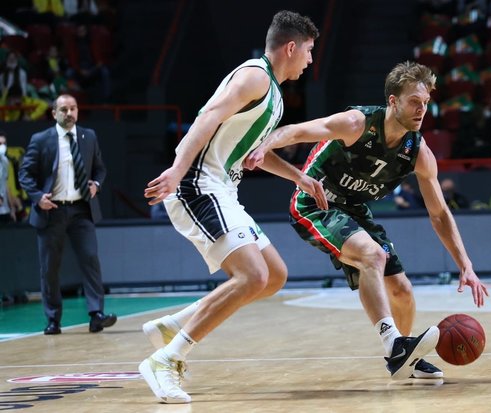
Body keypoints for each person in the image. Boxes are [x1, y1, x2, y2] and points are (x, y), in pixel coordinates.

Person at [244, 61, 489, 382]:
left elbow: (440, 213)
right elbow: (297, 131)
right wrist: (264, 145)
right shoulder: (356, 123)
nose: (422, 110)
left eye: (426, 103)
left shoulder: (418, 152)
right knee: (372, 255)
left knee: (401, 289)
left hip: (353, 209)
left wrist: (465, 264)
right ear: (393, 101)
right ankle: (393, 343)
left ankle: (406, 358)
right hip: (315, 203)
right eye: (415, 102)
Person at [138, 11, 323, 404]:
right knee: (252, 275)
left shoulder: (273, 94)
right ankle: (167, 358)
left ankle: (172, 325)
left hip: (222, 187)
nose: (310, 60)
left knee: (274, 275)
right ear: (291, 47)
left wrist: (300, 178)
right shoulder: (255, 76)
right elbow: (208, 116)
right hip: (197, 184)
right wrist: (177, 170)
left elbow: (256, 154)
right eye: (309, 51)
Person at [18, 94, 117, 335]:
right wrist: (38, 197)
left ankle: (96, 315)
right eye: (63, 109)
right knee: (50, 267)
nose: (69, 113)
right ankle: (53, 319)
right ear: (54, 113)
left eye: (73, 108)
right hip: (52, 211)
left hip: (82, 210)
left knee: (91, 259)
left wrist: (96, 185)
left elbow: (100, 169)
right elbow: (25, 174)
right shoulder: (41, 139)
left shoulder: (88, 136)